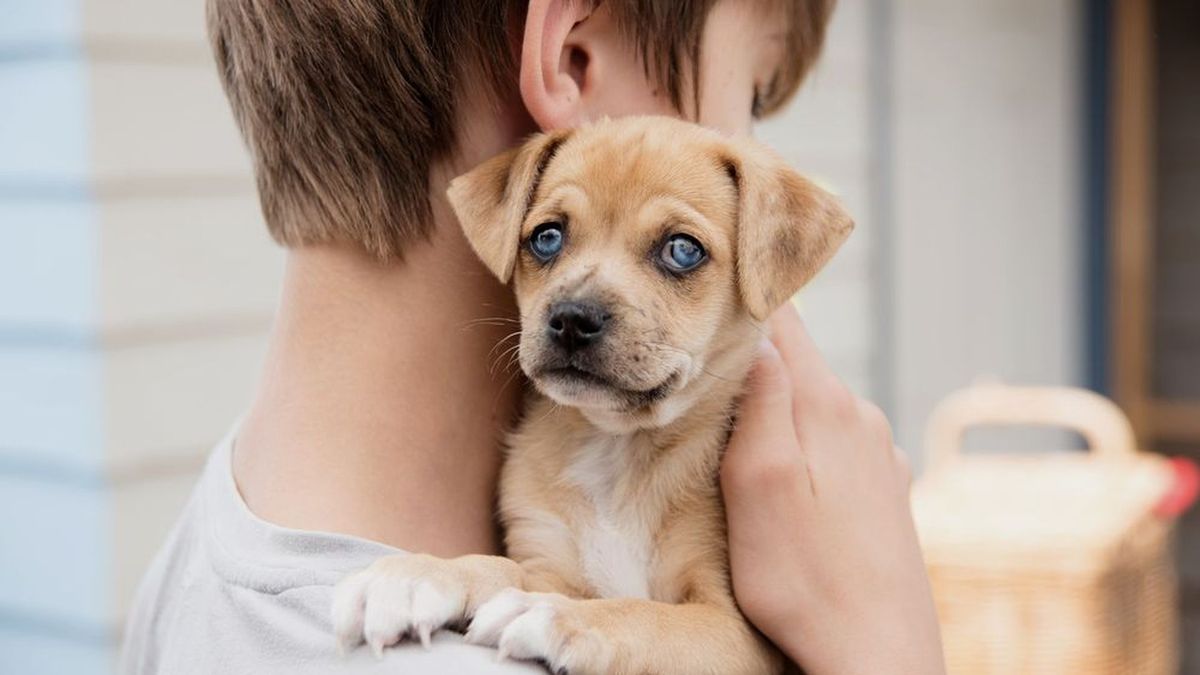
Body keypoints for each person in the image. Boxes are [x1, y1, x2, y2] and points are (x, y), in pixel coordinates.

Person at [121, 1, 945, 673]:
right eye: (753, 99)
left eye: (678, 250)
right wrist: (886, 642)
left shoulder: (214, 538)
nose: (578, 303)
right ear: (574, 62)